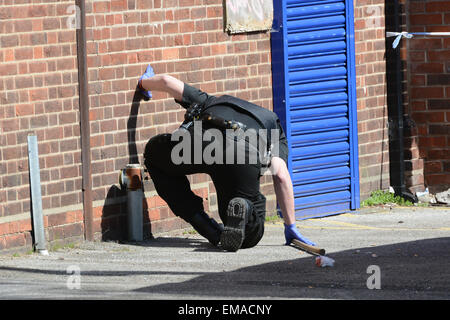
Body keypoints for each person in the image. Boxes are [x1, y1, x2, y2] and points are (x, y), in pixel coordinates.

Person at [138, 64, 316, 252]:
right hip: (242, 155)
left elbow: (167, 82)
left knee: (155, 156)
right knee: (246, 233)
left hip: (200, 142)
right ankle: (245, 208)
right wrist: (290, 226)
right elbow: (280, 175)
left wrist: (144, 83)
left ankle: (207, 226)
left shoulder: (213, 101)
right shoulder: (272, 125)